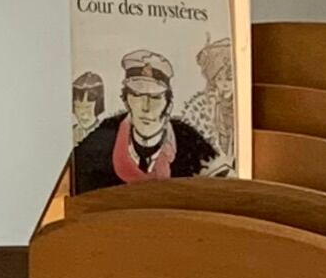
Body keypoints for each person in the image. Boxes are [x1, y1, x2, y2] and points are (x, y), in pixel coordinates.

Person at [69, 48, 219, 194]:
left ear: (168, 105)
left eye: (154, 98)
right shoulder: (100, 143)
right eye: (137, 95)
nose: (145, 107)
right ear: (126, 101)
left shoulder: (191, 145)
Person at [180, 30, 240, 170]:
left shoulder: (238, 102)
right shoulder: (212, 103)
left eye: (229, 79)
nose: (224, 84)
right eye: (219, 79)